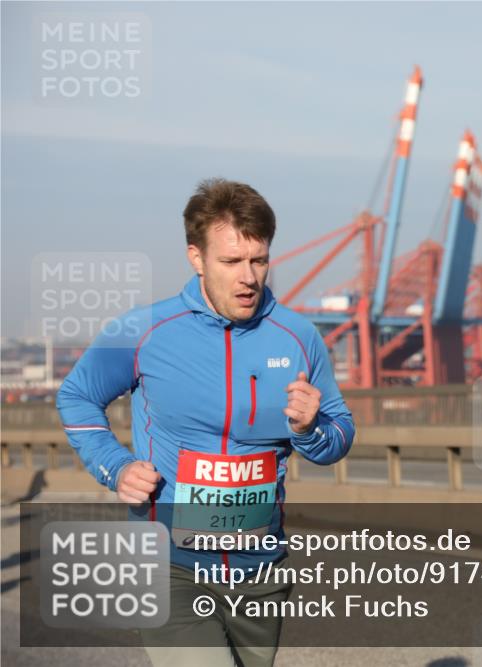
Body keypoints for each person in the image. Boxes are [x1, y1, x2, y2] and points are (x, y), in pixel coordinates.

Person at [57, 178, 355, 666]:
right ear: (196, 258)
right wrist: (115, 466)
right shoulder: (144, 330)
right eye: (231, 262)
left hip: (261, 569)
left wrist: (311, 428)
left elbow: (340, 434)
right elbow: (77, 396)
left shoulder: (298, 336)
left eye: (259, 260)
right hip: (171, 565)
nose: (249, 278)